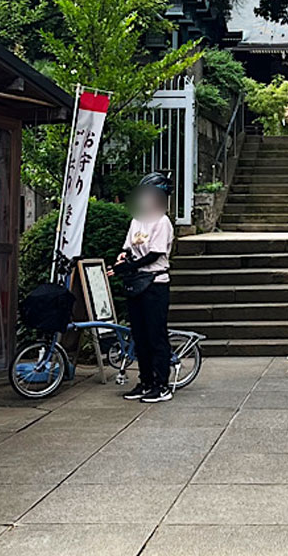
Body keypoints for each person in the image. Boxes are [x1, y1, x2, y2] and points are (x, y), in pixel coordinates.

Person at [116, 172, 175, 403]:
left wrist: (129, 265)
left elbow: (155, 253)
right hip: (137, 283)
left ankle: (162, 385)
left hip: (155, 284)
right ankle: (145, 381)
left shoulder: (162, 221)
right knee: (139, 336)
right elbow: (129, 247)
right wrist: (123, 258)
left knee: (155, 336)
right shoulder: (137, 220)